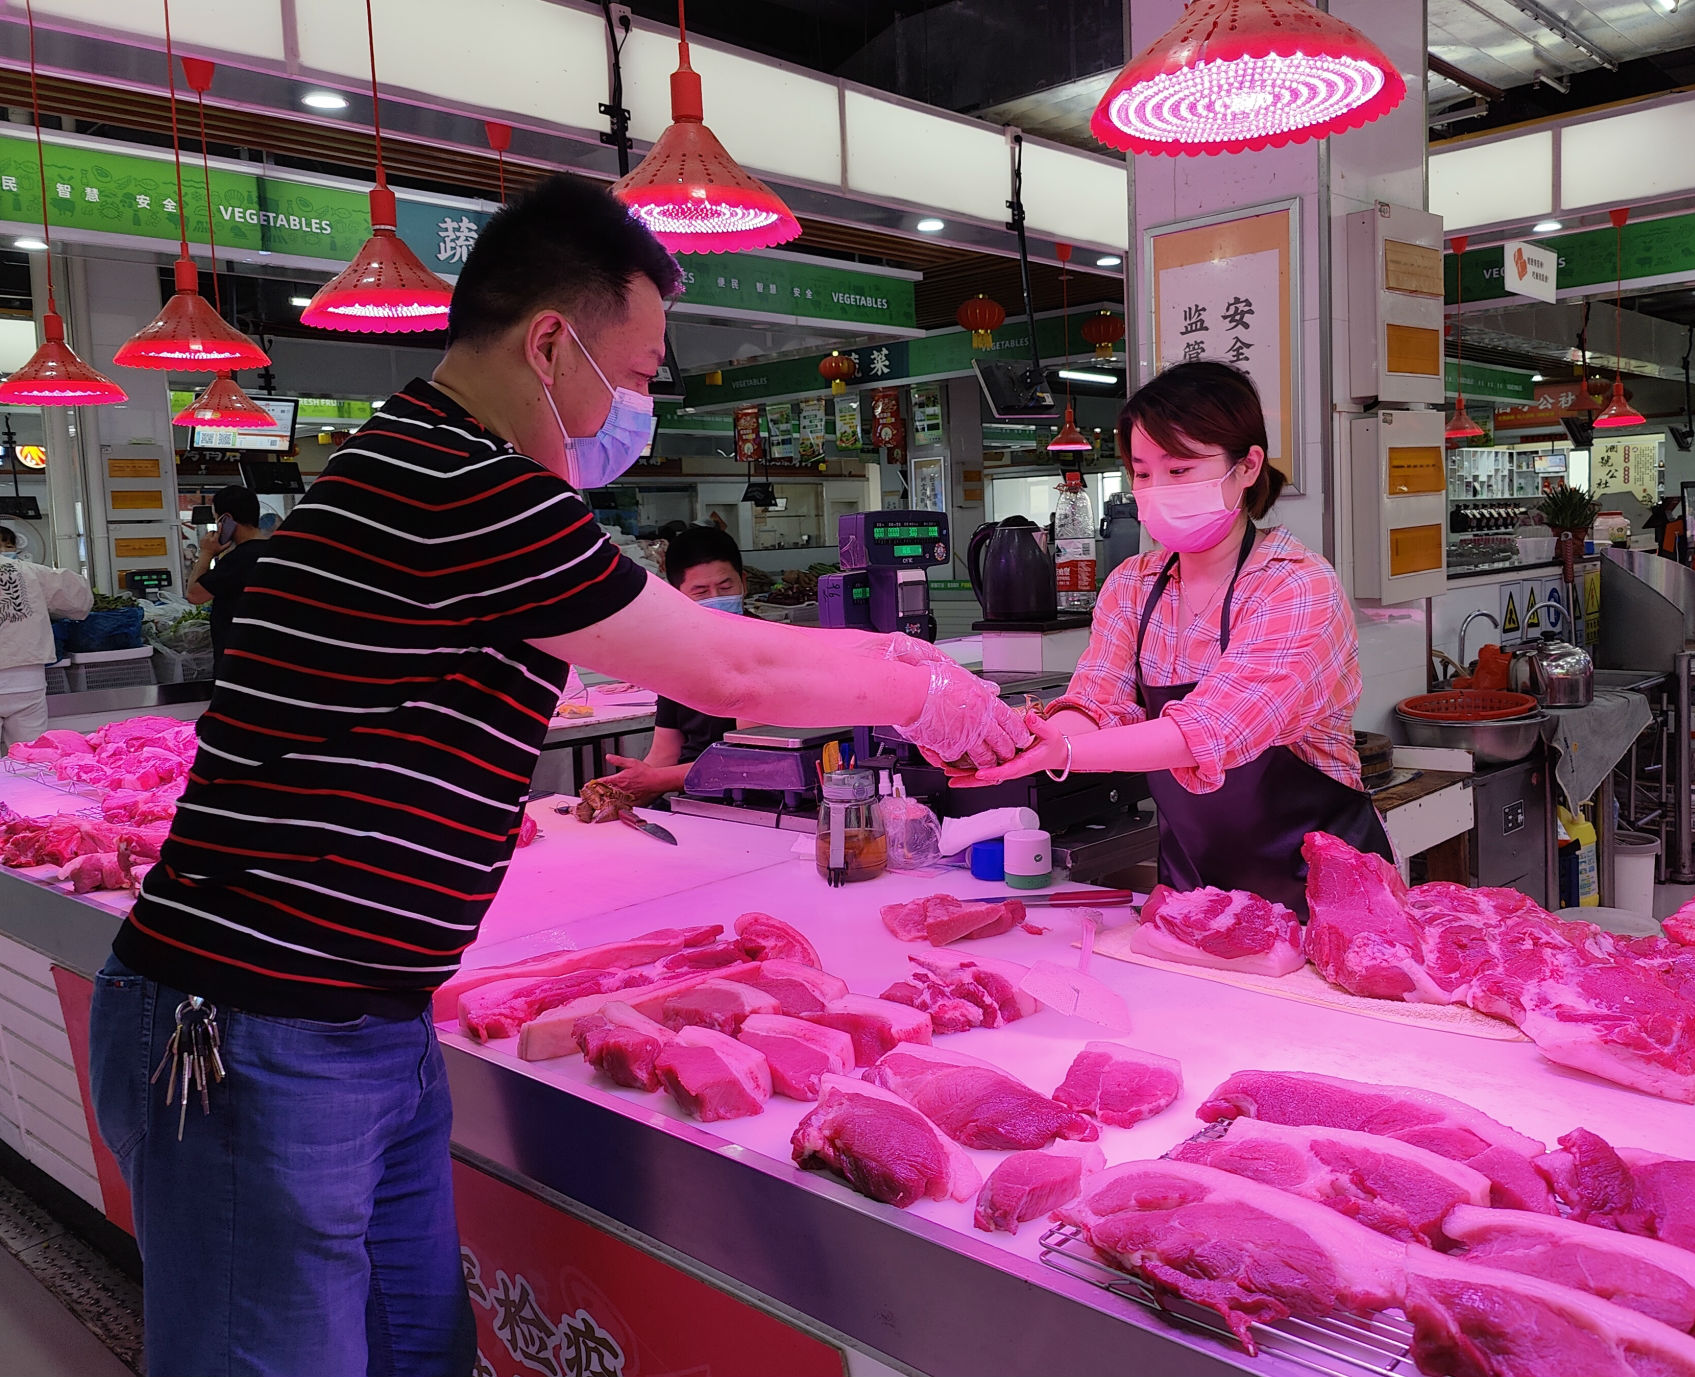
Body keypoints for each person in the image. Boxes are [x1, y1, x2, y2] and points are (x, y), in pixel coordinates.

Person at [88, 173, 1028, 1377]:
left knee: (417, 1353)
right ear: (548, 346)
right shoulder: (460, 485)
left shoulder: (439, 462)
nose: (640, 407)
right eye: (634, 375)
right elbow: (731, 665)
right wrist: (923, 688)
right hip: (255, 1025)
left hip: (366, 1018)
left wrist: (907, 670)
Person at [959, 361, 1390, 910]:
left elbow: (1210, 729)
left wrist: (1059, 751)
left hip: (1327, 894)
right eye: (1142, 474)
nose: (1157, 490)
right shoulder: (1133, 585)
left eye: (1180, 470)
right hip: (1197, 893)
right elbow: (1097, 705)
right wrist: (1018, 742)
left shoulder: (1296, 585)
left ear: (1247, 466)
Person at [596, 523, 750, 804]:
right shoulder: (676, 657)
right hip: (691, 800)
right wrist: (619, 793)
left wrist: (655, 781)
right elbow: (664, 754)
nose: (716, 598)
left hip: (746, 802)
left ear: (744, 582)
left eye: (725, 587)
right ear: (677, 595)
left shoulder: (762, 650)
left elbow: (749, 760)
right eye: (701, 591)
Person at [0, 525, 90, 746]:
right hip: (26, 680)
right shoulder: (31, 571)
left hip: (26, 678)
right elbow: (79, 599)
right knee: (29, 755)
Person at [183, 483, 272, 679]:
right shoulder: (276, 551)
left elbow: (194, 595)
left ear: (227, 519)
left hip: (240, 665)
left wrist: (206, 552)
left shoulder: (239, 559)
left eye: (217, 519)